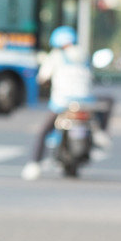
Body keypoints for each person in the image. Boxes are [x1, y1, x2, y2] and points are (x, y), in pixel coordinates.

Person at [22, 26, 111, 180]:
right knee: (108, 101)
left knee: (44, 131)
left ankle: (34, 165)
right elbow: (91, 76)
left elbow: (42, 78)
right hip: (86, 102)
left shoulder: (55, 56)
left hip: (62, 103)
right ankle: (101, 131)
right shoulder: (83, 54)